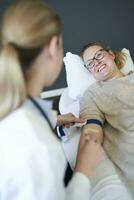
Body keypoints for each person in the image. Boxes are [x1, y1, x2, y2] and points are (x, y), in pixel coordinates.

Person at [0, 1, 109, 200]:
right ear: (52, 47)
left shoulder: (15, 113)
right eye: (91, 62)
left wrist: (54, 120)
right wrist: (83, 169)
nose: (98, 64)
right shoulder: (39, 150)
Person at [80, 41, 134, 197]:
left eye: (98, 55)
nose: (96, 62)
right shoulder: (92, 94)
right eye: (90, 63)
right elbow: (92, 126)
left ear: (111, 54)